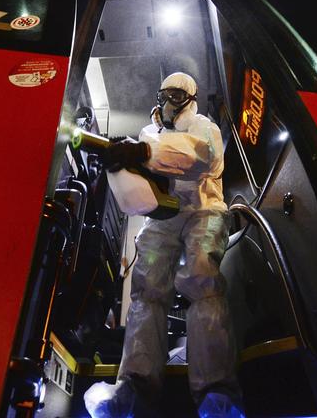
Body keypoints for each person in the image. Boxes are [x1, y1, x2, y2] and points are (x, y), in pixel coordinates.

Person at [86, 72, 243, 417]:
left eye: (175, 95)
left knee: (203, 284)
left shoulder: (203, 126)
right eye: (163, 95)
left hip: (203, 210)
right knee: (146, 291)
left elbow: (204, 156)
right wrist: (122, 160)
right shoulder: (149, 132)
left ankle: (216, 391)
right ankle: (136, 385)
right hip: (164, 215)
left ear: (189, 97)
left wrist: (143, 151)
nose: (167, 102)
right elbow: (145, 170)